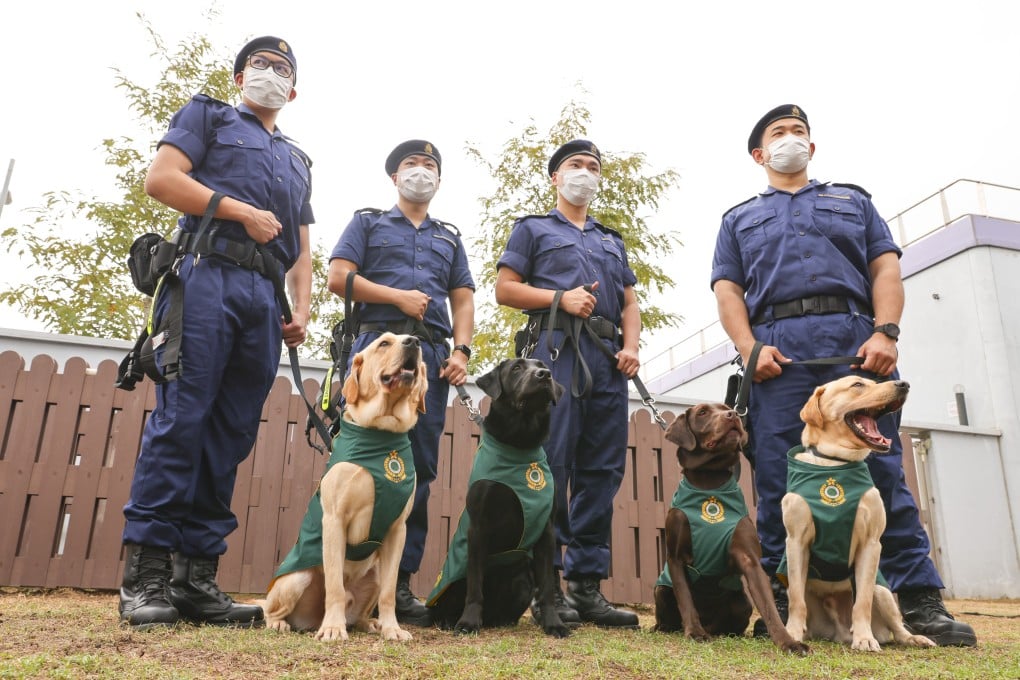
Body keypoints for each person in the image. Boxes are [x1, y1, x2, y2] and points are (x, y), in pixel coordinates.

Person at [710, 104, 976, 646]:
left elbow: (884, 267)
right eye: (779, 134)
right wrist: (749, 347)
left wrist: (887, 332)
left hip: (856, 346)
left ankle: (920, 601)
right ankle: (783, 605)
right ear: (760, 154)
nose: (791, 139)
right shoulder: (737, 219)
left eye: (799, 132)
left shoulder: (852, 200)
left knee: (883, 474)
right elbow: (727, 291)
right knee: (780, 478)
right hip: (777, 355)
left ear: (813, 146)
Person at [118, 36, 313, 630]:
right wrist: (236, 210)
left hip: (264, 299)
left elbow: (302, 248)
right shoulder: (207, 115)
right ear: (239, 76)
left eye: (282, 69)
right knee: (183, 420)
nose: (270, 74)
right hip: (205, 277)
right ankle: (145, 577)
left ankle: (195, 578)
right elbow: (162, 180)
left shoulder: (299, 160)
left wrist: (301, 309)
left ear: (294, 90)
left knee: (230, 434)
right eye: (260, 65)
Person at [327, 140, 475, 626]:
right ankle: (333, 579)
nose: (421, 171)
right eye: (412, 164)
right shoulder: (368, 223)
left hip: (428, 353)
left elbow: (463, 300)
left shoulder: (449, 239)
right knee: (353, 464)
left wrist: (461, 351)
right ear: (394, 176)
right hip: (374, 348)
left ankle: (399, 585)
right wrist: (397, 297)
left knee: (418, 471)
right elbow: (338, 277)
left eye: (430, 165)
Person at [494, 140, 641, 628]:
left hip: (607, 359)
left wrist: (632, 348)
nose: (585, 173)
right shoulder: (533, 228)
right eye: (575, 166)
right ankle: (546, 585)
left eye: (593, 167)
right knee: (552, 465)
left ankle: (586, 586)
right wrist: (560, 297)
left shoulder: (611, 239)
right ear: (556, 177)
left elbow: (629, 302)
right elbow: (505, 289)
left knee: (602, 470)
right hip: (554, 355)